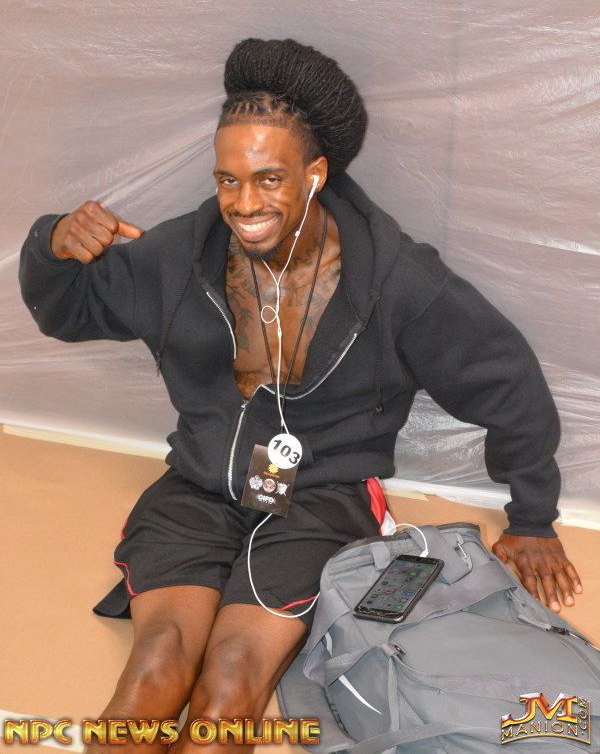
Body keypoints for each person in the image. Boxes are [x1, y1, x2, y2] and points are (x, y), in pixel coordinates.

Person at [18, 38, 582, 752]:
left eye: (268, 179)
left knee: (229, 688)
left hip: (320, 499)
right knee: (154, 670)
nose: (243, 204)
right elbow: (66, 311)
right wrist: (52, 244)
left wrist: (532, 518)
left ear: (315, 174)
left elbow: (505, 380)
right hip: (197, 488)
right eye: (227, 180)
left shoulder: (396, 281)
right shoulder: (178, 257)